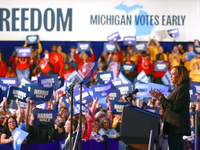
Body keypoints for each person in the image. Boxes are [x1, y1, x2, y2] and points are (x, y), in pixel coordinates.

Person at [149, 65, 191, 150]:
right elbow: (169, 106)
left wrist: (161, 98)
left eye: (173, 74)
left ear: (180, 76)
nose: (170, 76)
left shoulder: (183, 89)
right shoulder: (177, 88)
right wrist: (160, 98)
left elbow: (175, 107)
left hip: (176, 127)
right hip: (173, 127)